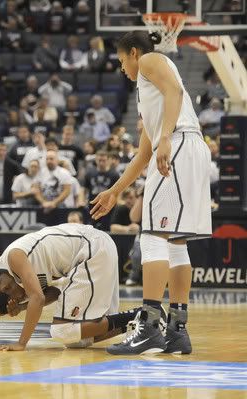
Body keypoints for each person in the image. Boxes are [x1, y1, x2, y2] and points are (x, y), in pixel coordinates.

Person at [90, 31, 212, 355]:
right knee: (175, 241)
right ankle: (177, 329)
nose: (122, 69)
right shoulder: (150, 96)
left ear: (133, 53)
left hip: (179, 144)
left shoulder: (150, 61)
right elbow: (142, 154)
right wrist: (114, 191)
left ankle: (148, 328)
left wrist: (168, 138)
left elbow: (173, 91)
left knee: (153, 235)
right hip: (190, 146)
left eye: (121, 61)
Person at [0, 223, 142, 350]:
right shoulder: (12, 275)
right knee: (78, 340)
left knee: (62, 330)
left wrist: (21, 343)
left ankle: (142, 314)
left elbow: (37, 298)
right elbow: (56, 291)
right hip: (92, 252)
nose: (20, 298)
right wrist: (23, 306)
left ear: (5, 289)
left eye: (15, 298)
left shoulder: (14, 257)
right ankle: (141, 323)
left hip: (92, 247)